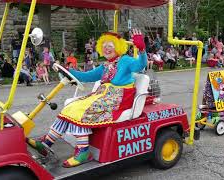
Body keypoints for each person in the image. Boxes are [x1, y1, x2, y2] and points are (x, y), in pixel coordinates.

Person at [27, 29, 147, 168]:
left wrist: (141, 49)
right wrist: (66, 71)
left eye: (110, 45)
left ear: (118, 47)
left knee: (81, 111)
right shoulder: (105, 66)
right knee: (70, 107)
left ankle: (83, 151)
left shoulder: (125, 60)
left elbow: (140, 65)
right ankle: (47, 143)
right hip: (103, 95)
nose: (107, 49)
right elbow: (87, 76)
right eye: (104, 46)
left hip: (118, 98)